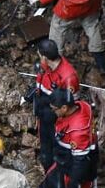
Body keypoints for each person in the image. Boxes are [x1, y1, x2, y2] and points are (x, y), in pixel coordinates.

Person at [33, 89, 99, 188]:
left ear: (64, 108)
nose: (53, 111)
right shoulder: (82, 106)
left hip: (77, 169)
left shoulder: (77, 132)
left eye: (54, 109)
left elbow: (79, 165)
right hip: (64, 160)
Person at [28, 38, 80, 171]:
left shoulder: (68, 77)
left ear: (45, 57)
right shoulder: (45, 66)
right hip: (43, 113)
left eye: (40, 56)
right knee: (45, 149)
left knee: (57, 150)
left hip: (57, 119)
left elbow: (71, 105)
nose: (39, 59)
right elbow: (41, 81)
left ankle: (57, 174)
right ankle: (47, 168)